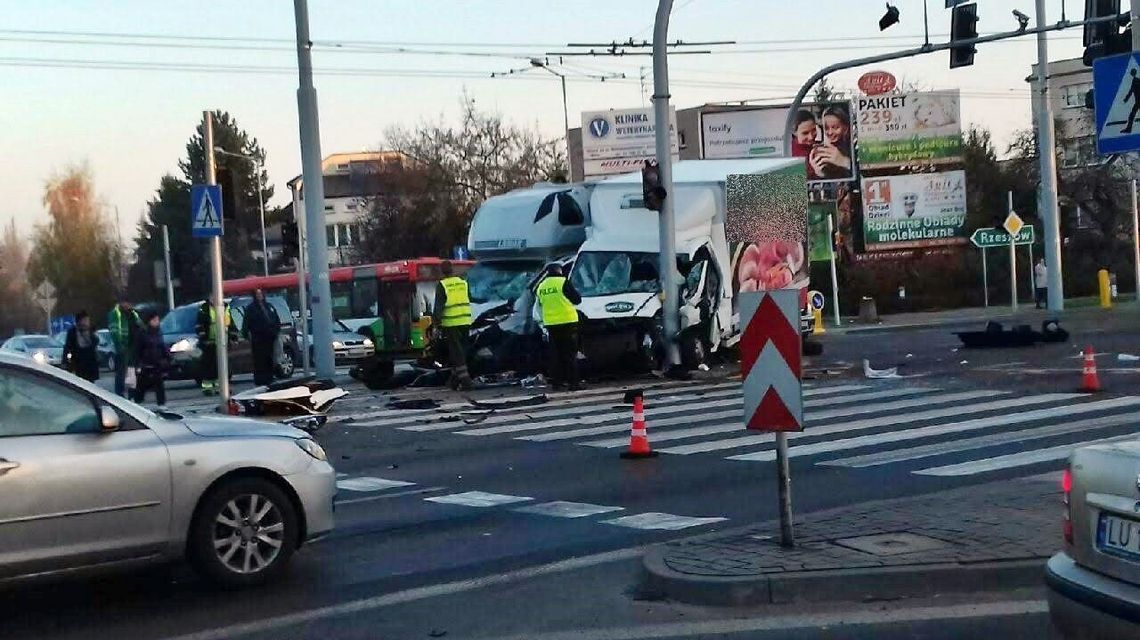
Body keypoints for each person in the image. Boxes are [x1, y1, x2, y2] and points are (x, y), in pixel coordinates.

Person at [535, 264, 583, 391]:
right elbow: (577, 299)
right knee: (570, 354)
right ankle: (574, 383)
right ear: (559, 271)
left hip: (551, 323)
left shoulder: (541, 286)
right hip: (568, 322)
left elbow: (540, 304)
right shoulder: (563, 282)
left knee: (556, 355)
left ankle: (557, 383)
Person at [432, 261, 473, 391]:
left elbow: (438, 307)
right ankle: (454, 380)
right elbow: (469, 298)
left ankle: (466, 381)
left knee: (457, 353)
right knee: (463, 351)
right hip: (466, 321)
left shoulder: (442, 285)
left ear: (442, 271)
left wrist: (435, 326)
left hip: (451, 323)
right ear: (452, 269)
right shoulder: (463, 283)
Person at [195, 293, 235, 396]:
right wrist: (203, 337)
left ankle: (222, 387)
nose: (215, 299)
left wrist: (233, 336)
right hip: (209, 342)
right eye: (212, 297)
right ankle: (208, 388)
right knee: (209, 366)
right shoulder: (204, 308)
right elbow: (200, 324)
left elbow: (230, 323)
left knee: (223, 366)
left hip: (222, 342)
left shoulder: (225, 307)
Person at [243, 289, 280, 386]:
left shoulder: (269, 306)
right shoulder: (251, 308)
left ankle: (270, 378)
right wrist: (246, 334)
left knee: (269, 359)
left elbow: (276, 320)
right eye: (257, 294)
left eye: (261, 293)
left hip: (270, 338)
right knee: (259, 360)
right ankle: (260, 379)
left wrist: (276, 331)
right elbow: (246, 324)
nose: (260, 296)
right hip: (258, 339)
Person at [106, 296, 141, 397]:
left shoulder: (133, 314)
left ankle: (132, 395)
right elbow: (115, 331)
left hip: (133, 346)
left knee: (132, 373)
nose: (128, 305)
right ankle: (120, 395)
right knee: (121, 373)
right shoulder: (115, 314)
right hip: (123, 347)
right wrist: (120, 345)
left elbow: (140, 326)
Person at [133, 311, 170, 406]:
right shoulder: (143, 333)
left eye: (158, 320)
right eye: (155, 320)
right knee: (142, 386)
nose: (157, 322)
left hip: (157, 363)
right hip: (146, 364)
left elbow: (162, 346)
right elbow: (138, 350)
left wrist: (167, 357)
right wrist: (138, 363)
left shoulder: (158, 332)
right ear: (149, 321)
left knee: (159, 385)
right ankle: (137, 402)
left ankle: (161, 404)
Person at [810, 106, 853, 180]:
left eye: (835, 127)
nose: (830, 132)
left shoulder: (854, 148)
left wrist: (845, 162)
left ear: (846, 128)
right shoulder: (821, 151)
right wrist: (818, 172)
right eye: (826, 128)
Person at [63, 311, 100, 382]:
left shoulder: (92, 330)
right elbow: (68, 348)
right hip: (78, 363)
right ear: (80, 321)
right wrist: (66, 361)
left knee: (91, 385)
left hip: (90, 363)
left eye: (88, 320)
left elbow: (95, 342)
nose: (87, 322)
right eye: (85, 320)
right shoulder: (72, 332)